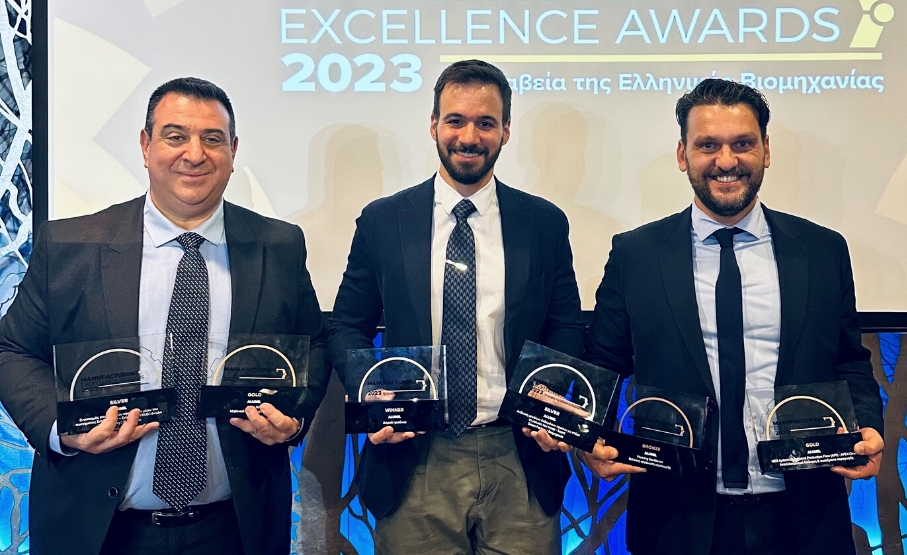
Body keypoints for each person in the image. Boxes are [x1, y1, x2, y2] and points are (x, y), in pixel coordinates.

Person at [0, 77, 330, 555]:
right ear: (145, 145)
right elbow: (11, 349)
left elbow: (315, 343)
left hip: (236, 528)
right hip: (97, 528)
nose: (194, 154)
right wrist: (60, 429)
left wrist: (294, 417)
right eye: (176, 136)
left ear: (233, 151)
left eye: (212, 139)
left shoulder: (278, 245)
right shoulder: (69, 245)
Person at [578, 78, 885, 555]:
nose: (726, 161)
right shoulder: (636, 254)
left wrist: (868, 426)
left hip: (804, 515)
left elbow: (848, 359)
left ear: (766, 150)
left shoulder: (822, 250)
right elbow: (602, 364)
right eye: (708, 146)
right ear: (682, 155)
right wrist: (588, 439)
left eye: (742, 144)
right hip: (676, 519)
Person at [327, 59, 585, 554]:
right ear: (433, 125)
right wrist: (373, 393)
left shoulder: (544, 223)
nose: (469, 136)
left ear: (506, 131)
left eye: (485, 122)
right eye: (455, 120)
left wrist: (549, 394)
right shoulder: (383, 221)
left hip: (520, 454)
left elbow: (566, 325)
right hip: (413, 454)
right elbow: (345, 327)